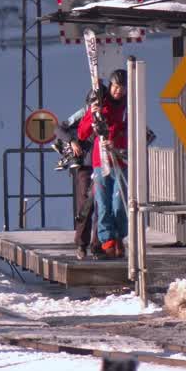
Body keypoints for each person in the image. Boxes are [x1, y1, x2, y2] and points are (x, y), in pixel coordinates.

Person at [78, 68, 129, 259]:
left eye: (122, 87)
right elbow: (83, 133)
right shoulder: (100, 104)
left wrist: (115, 140)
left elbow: (131, 129)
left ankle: (119, 238)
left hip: (120, 161)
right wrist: (92, 114)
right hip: (101, 162)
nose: (118, 91)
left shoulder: (127, 106)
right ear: (111, 85)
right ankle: (107, 240)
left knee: (119, 203)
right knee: (103, 203)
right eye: (116, 86)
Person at [53, 87, 101, 260]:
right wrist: (72, 141)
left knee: (102, 204)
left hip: (104, 163)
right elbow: (58, 129)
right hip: (85, 164)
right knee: (86, 203)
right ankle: (81, 243)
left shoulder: (109, 114)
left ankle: (98, 244)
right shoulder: (82, 114)